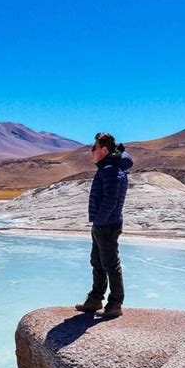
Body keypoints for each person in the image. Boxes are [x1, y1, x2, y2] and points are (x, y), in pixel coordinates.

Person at [75, 132, 133, 318]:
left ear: (104, 149)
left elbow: (111, 199)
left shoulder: (110, 169)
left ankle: (115, 303)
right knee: (97, 261)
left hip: (107, 224)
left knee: (110, 263)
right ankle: (95, 299)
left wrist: (100, 220)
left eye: (94, 148)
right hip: (102, 223)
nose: (91, 151)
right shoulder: (108, 167)